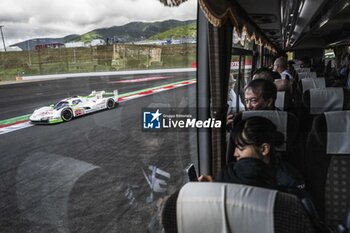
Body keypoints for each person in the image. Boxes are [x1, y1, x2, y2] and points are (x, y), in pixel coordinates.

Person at [200, 117, 305, 190]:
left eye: (241, 148)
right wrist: (214, 186)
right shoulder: (234, 173)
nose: (235, 154)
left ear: (264, 149)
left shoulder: (289, 182)